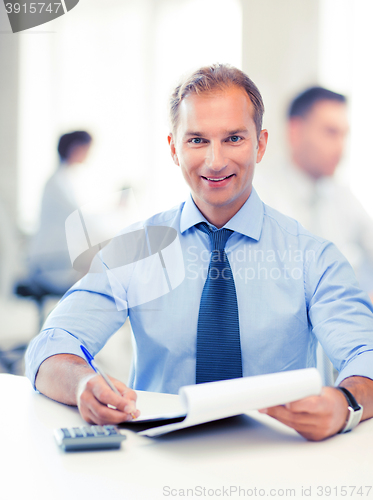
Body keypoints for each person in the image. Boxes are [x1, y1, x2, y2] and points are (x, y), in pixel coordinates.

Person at [25, 64, 373, 441]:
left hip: (278, 456)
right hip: (160, 461)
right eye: (197, 140)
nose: (215, 161)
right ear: (174, 149)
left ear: (261, 144)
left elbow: (365, 354)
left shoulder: (314, 257)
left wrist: (346, 402)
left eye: (234, 138)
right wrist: (80, 384)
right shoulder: (135, 250)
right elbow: (51, 345)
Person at [255, 87, 373, 295]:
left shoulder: (342, 196)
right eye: (330, 133)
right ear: (295, 132)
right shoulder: (260, 195)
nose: (340, 148)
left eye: (344, 135)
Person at [27, 131, 93, 295]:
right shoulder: (56, 183)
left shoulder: (64, 180)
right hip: (51, 263)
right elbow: (81, 218)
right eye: (86, 148)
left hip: (58, 258)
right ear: (74, 148)